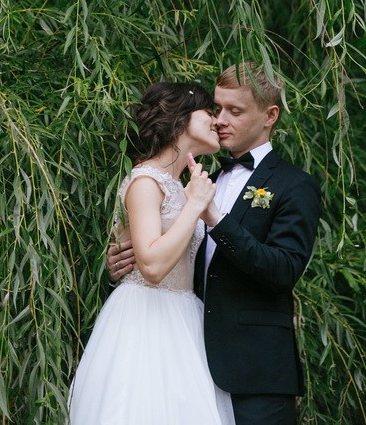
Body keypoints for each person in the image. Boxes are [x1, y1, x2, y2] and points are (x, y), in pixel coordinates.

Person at [108, 62, 321, 425]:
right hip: (186, 358)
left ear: (270, 116)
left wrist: (217, 220)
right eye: (217, 108)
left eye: (234, 111)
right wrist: (120, 271)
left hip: (254, 373)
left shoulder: (294, 185)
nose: (220, 119)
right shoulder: (199, 177)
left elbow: (283, 271)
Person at [68, 81, 236, 425]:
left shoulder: (178, 183)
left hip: (185, 317)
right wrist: (195, 206)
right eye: (210, 111)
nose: (217, 121)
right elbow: (153, 266)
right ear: (182, 118)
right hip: (146, 317)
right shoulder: (146, 181)